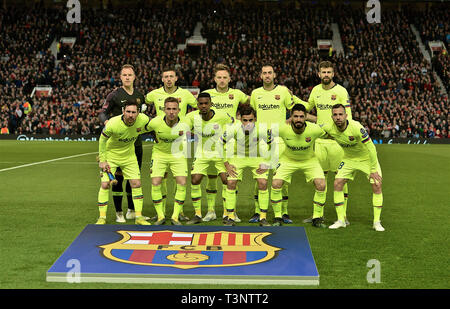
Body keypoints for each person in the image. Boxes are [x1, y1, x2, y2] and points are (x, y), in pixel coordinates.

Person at [297, 60, 352, 225]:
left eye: (329, 72)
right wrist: (293, 99)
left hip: (337, 143)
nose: (326, 75)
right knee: (319, 179)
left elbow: (347, 115)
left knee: (340, 178)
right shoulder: (315, 90)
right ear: (318, 74)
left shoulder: (341, 91)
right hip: (320, 142)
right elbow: (306, 108)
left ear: (333, 74)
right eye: (323, 72)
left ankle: (343, 216)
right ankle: (316, 215)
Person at [145, 67, 197, 222]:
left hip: (179, 145)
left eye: (171, 76)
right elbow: (143, 102)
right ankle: (160, 213)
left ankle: (178, 213)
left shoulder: (186, 94)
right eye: (165, 76)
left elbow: (198, 107)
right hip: (161, 140)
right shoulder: (154, 94)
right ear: (162, 79)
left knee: (179, 180)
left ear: (176, 78)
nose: (168, 79)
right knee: (160, 180)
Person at [323, 104, 385, 231]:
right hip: (348, 159)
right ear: (332, 117)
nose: (338, 117)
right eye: (335, 115)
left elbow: (371, 148)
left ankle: (377, 222)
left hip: (366, 159)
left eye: (341, 114)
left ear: (346, 115)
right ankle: (341, 220)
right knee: (337, 183)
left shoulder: (356, 127)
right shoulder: (329, 128)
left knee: (377, 184)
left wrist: (373, 169)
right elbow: (314, 127)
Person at [98, 64, 147, 223]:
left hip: (135, 143)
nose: (127, 77)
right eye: (124, 75)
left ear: (134, 77)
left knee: (133, 178)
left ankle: (132, 210)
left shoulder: (140, 95)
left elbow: (144, 117)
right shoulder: (114, 95)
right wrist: (106, 123)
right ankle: (119, 211)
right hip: (117, 141)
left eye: (130, 75)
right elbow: (102, 112)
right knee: (116, 180)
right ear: (121, 77)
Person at [203, 64, 250, 223]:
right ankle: (210, 211)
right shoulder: (207, 94)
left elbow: (253, 101)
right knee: (211, 176)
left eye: (225, 77)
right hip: (210, 139)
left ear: (230, 79)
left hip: (231, 141)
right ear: (214, 79)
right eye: (219, 77)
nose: (222, 80)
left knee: (229, 177)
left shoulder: (237, 94)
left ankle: (229, 211)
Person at [249, 64, 294, 224]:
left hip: (279, 140)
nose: (267, 75)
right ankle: (257, 211)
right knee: (260, 176)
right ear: (260, 76)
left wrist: (289, 122)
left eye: (270, 73)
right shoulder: (255, 94)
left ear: (274, 75)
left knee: (281, 176)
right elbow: (252, 113)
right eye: (264, 73)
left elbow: (294, 110)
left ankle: (284, 212)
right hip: (260, 140)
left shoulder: (283, 92)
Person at [271, 104, 327, 227]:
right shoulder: (282, 128)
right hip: (288, 159)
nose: (298, 119)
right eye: (295, 116)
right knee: (276, 183)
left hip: (309, 160)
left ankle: (317, 218)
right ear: (291, 117)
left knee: (321, 184)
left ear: (306, 117)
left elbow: (331, 132)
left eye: (301, 117)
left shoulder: (315, 129)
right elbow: (265, 134)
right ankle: (277, 217)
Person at [184, 92, 235, 225]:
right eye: (201, 104)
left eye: (206, 103)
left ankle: (227, 214)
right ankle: (198, 214)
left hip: (220, 152)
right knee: (195, 179)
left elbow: (234, 124)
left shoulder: (222, 116)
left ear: (211, 104)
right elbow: (182, 127)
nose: (204, 106)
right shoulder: (191, 117)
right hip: (202, 152)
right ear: (197, 105)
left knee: (226, 180)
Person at [221, 104, 272, 226]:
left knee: (263, 183)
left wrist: (267, 163)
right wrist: (226, 164)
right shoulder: (233, 129)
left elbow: (273, 146)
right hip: (238, 156)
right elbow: (219, 145)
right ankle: (230, 216)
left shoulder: (262, 129)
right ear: (240, 120)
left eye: (251, 120)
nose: (248, 123)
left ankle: (263, 217)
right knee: (231, 183)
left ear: (255, 119)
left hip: (257, 156)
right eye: (245, 120)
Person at [144, 97, 190, 226]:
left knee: (182, 182)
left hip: (178, 155)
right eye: (168, 109)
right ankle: (160, 216)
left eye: (174, 109)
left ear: (179, 110)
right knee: (156, 182)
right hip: (159, 155)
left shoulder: (186, 122)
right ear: (164, 110)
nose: (171, 112)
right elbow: (140, 129)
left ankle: (175, 217)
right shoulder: (155, 122)